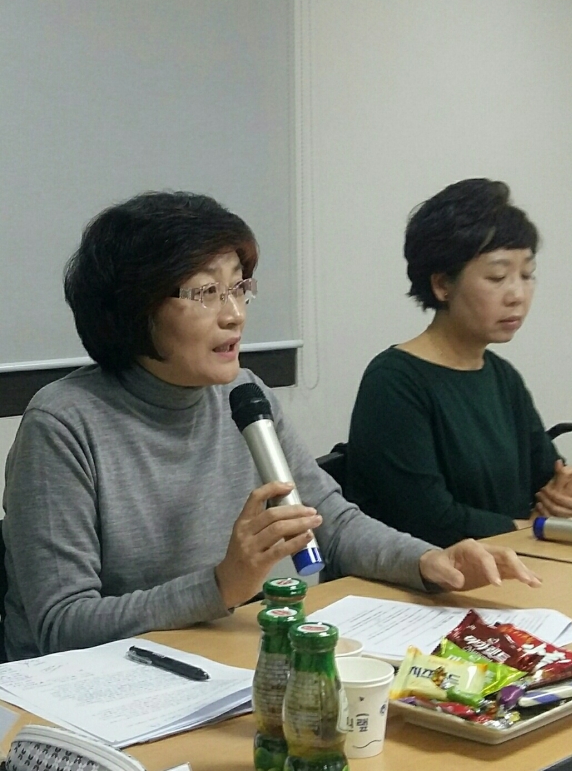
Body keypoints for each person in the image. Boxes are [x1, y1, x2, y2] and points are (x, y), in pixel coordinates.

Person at [3, 191, 540, 661]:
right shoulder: (65, 423)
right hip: (94, 695)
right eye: (205, 293)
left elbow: (331, 523)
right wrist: (221, 585)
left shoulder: (242, 393)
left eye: (239, 288)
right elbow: (62, 625)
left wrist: (427, 560)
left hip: (221, 659)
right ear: (134, 307)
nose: (234, 314)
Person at [346, 178, 572, 548]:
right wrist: (532, 526)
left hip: (510, 562)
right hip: (425, 576)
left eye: (527, 275)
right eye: (497, 277)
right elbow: (427, 520)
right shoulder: (394, 382)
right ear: (442, 285)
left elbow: (549, 478)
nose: (517, 295)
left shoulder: (502, 376)